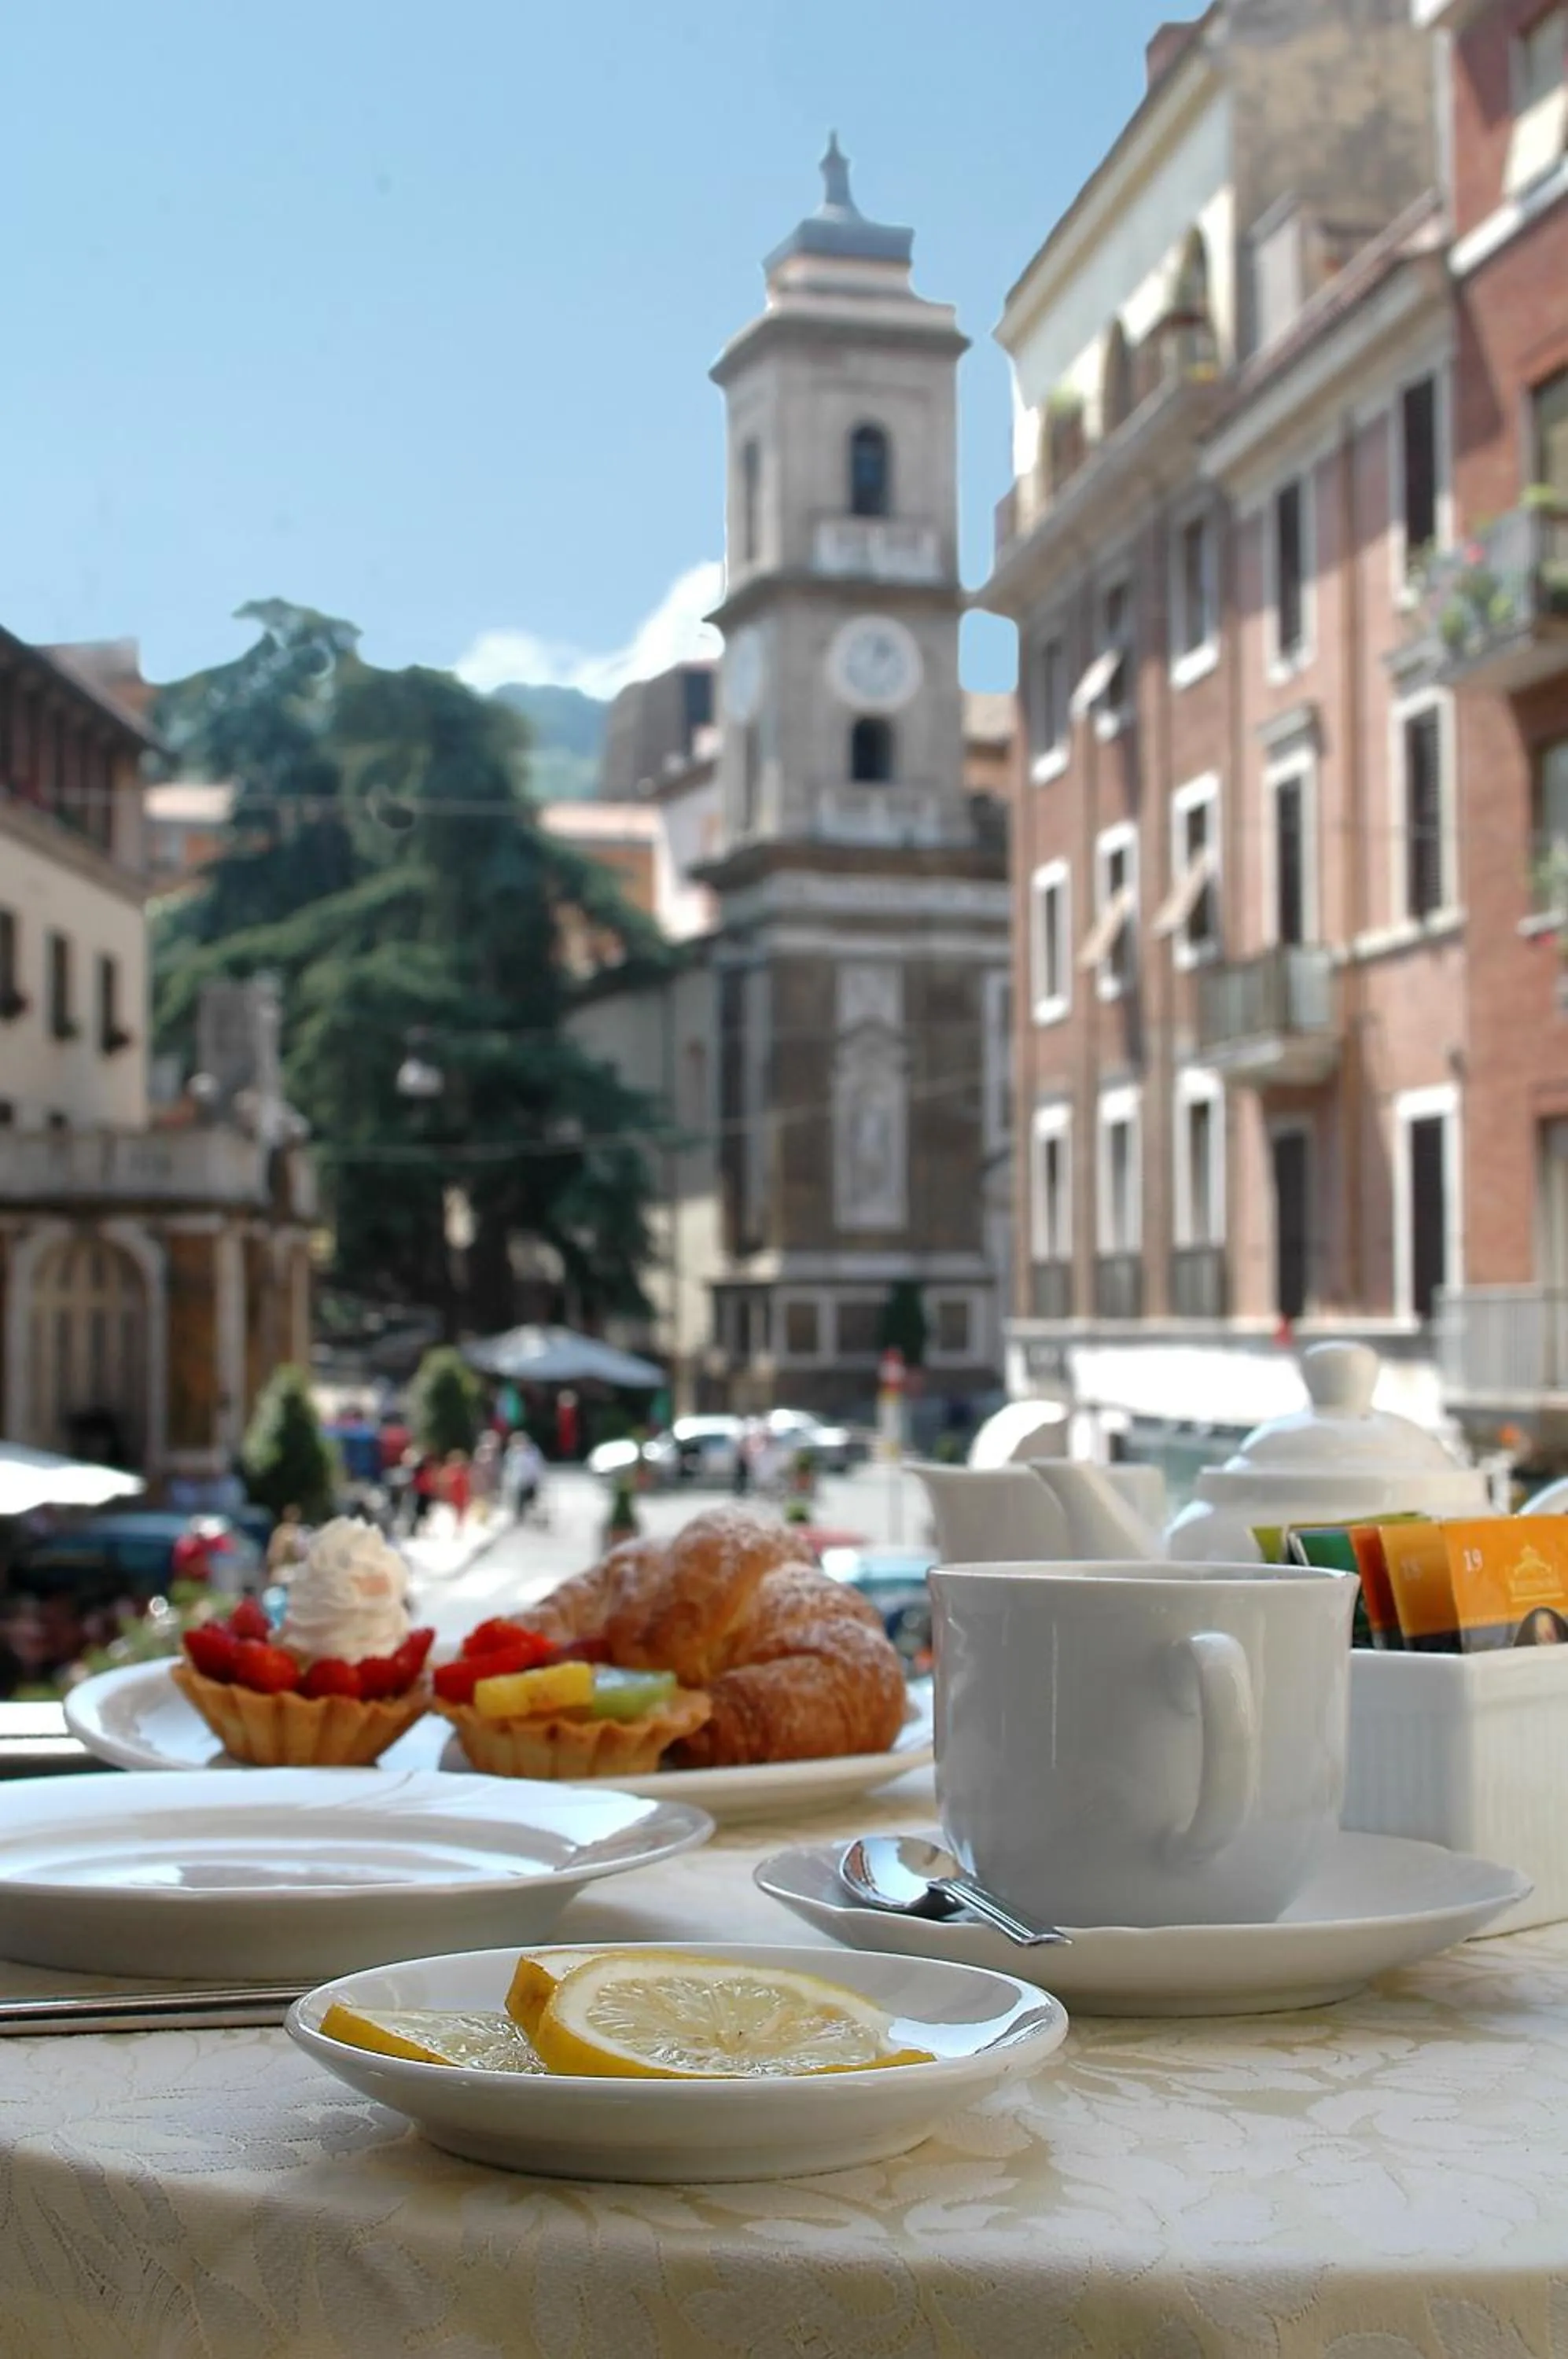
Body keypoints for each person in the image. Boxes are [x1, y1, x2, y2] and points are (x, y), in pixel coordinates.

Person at [503, 1429, 546, 1522]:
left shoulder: (533, 1452)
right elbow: (509, 1469)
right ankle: (519, 1516)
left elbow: (537, 1466)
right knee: (519, 1501)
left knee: (532, 1501)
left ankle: (531, 1516)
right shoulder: (512, 1454)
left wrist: (539, 1478)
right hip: (518, 1483)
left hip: (531, 1482)